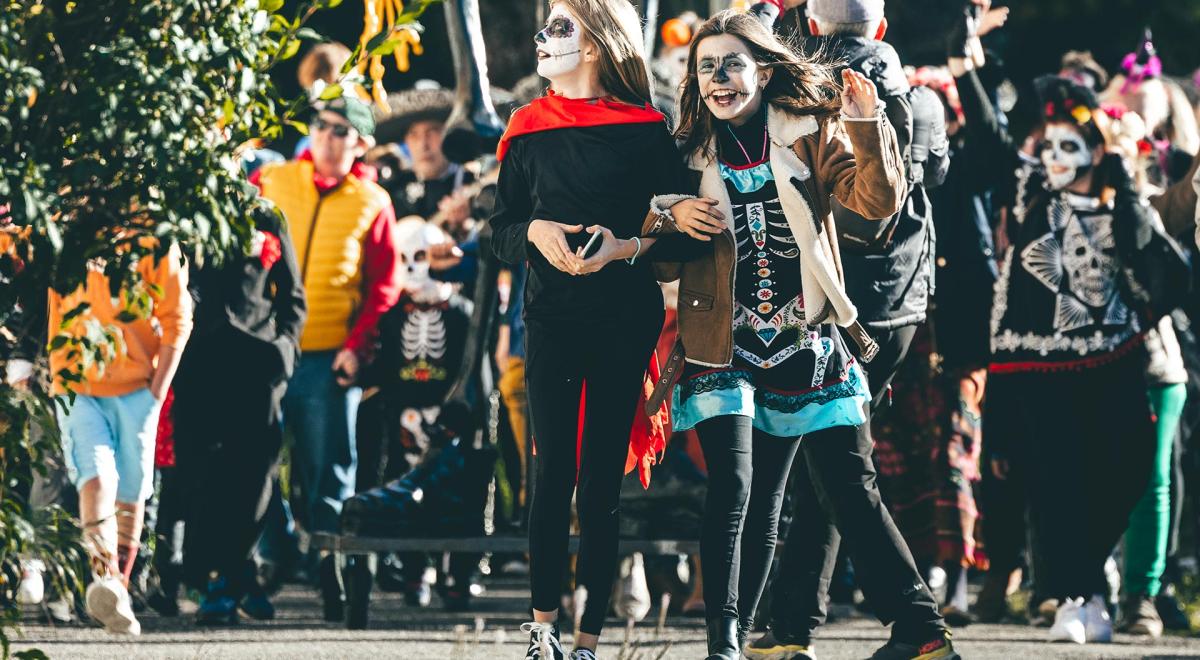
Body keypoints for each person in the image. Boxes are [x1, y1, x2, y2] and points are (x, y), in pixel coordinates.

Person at [642, 10, 956, 660]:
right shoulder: (686, 153)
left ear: (763, 68)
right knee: (738, 490)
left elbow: (874, 209)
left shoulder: (810, 134)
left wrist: (867, 129)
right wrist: (669, 214)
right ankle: (728, 642)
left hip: (809, 341)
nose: (718, 79)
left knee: (850, 490)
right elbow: (654, 249)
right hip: (724, 343)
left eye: (731, 63)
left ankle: (922, 632)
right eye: (705, 68)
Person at [488, 0, 695, 656]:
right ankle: (541, 627)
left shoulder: (647, 131)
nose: (543, 38)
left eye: (560, 27)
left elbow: (676, 240)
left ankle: (587, 641)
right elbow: (500, 233)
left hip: (623, 318)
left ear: (599, 45)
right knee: (549, 478)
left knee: (599, 485)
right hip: (549, 318)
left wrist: (624, 247)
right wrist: (535, 233)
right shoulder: (525, 127)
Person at [952, 36, 1173, 643]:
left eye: (1069, 147)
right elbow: (995, 142)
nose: (1054, 157)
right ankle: (1079, 596)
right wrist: (965, 67)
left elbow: (1163, 269)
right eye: (1048, 147)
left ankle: (1087, 588)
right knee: (1054, 487)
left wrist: (1129, 184)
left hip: (1113, 365)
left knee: (1126, 474)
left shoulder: (1124, 204)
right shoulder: (1028, 193)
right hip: (1036, 370)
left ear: (1096, 151)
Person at [753, 0, 955, 644]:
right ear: (885, 27)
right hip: (901, 305)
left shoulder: (799, 90)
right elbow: (941, 176)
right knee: (828, 467)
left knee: (841, 469)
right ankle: (791, 627)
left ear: (809, 28)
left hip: (834, 305)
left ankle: (918, 627)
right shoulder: (922, 100)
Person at [252, 95, 402, 619]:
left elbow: (384, 286)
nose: (327, 136)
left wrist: (357, 347)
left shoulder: (372, 201)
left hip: (327, 355)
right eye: (321, 125)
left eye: (341, 130)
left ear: (361, 143)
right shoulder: (272, 181)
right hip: (266, 350)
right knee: (255, 460)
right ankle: (277, 549)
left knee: (329, 470)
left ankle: (329, 572)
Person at [169, 206, 306, 625]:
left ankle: (232, 575)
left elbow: (293, 296)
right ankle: (223, 578)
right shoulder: (183, 208)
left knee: (255, 475)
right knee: (202, 473)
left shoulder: (265, 216)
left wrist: (285, 348)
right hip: (199, 363)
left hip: (258, 364)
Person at [48, 239, 193, 635]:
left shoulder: (156, 241)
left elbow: (179, 317)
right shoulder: (69, 230)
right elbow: (55, 300)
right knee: (96, 479)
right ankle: (105, 576)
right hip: (79, 385)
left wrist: (157, 390)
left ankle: (119, 589)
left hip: (138, 388)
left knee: (131, 491)